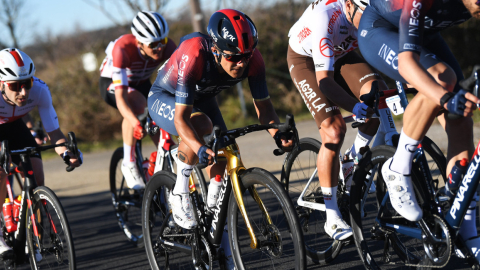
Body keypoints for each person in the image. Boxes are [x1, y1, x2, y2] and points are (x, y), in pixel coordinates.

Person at [148, 9, 294, 268]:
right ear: (215, 50)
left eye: (246, 57)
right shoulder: (194, 53)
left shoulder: (252, 58)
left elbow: (265, 109)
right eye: (233, 57)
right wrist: (198, 147)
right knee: (200, 126)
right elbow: (182, 119)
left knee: (227, 146)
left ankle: (214, 210)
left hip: (203, 98)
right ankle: (179, 194)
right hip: (164, 97)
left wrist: (277, 133)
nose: (241, 63)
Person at [357, 0, 480, 258]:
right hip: (380, 31)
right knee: (442, 81)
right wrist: (444, 98)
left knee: (461, 119)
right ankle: (397, 167)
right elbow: (407, 65)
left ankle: (465, 229)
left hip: (424, 33)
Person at [286, 0, 388, 240]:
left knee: (379, 97)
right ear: (350, 5)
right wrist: (353, 106)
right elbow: (325, 82)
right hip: (307, 61)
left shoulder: (371, 12)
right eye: (366, 14)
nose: (371, 19)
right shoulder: (327, 17)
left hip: (340, 53)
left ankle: (352, 160)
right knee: (333, 130)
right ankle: (332, 218)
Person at [0, 48, 83, 258]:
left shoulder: (40, 90)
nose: (23, 93)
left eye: (26, 83)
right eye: (14, 86)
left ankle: (34, 239)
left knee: (36, 178)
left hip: (16, 127)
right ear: (2, 83)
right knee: (1, 170)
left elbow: (54, 132)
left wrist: (67, 153)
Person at [99, 11, 176, 190]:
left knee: (160, 116)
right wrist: (136, 122)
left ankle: (165, 163)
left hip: (141, 82)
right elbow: (121, 98)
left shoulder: (169, 47)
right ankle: (129, 162)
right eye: (153, 44)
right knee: (138, 106)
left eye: (162, 41)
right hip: (113, 84)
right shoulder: (123, 49)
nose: (160, 48)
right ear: (139, 42)